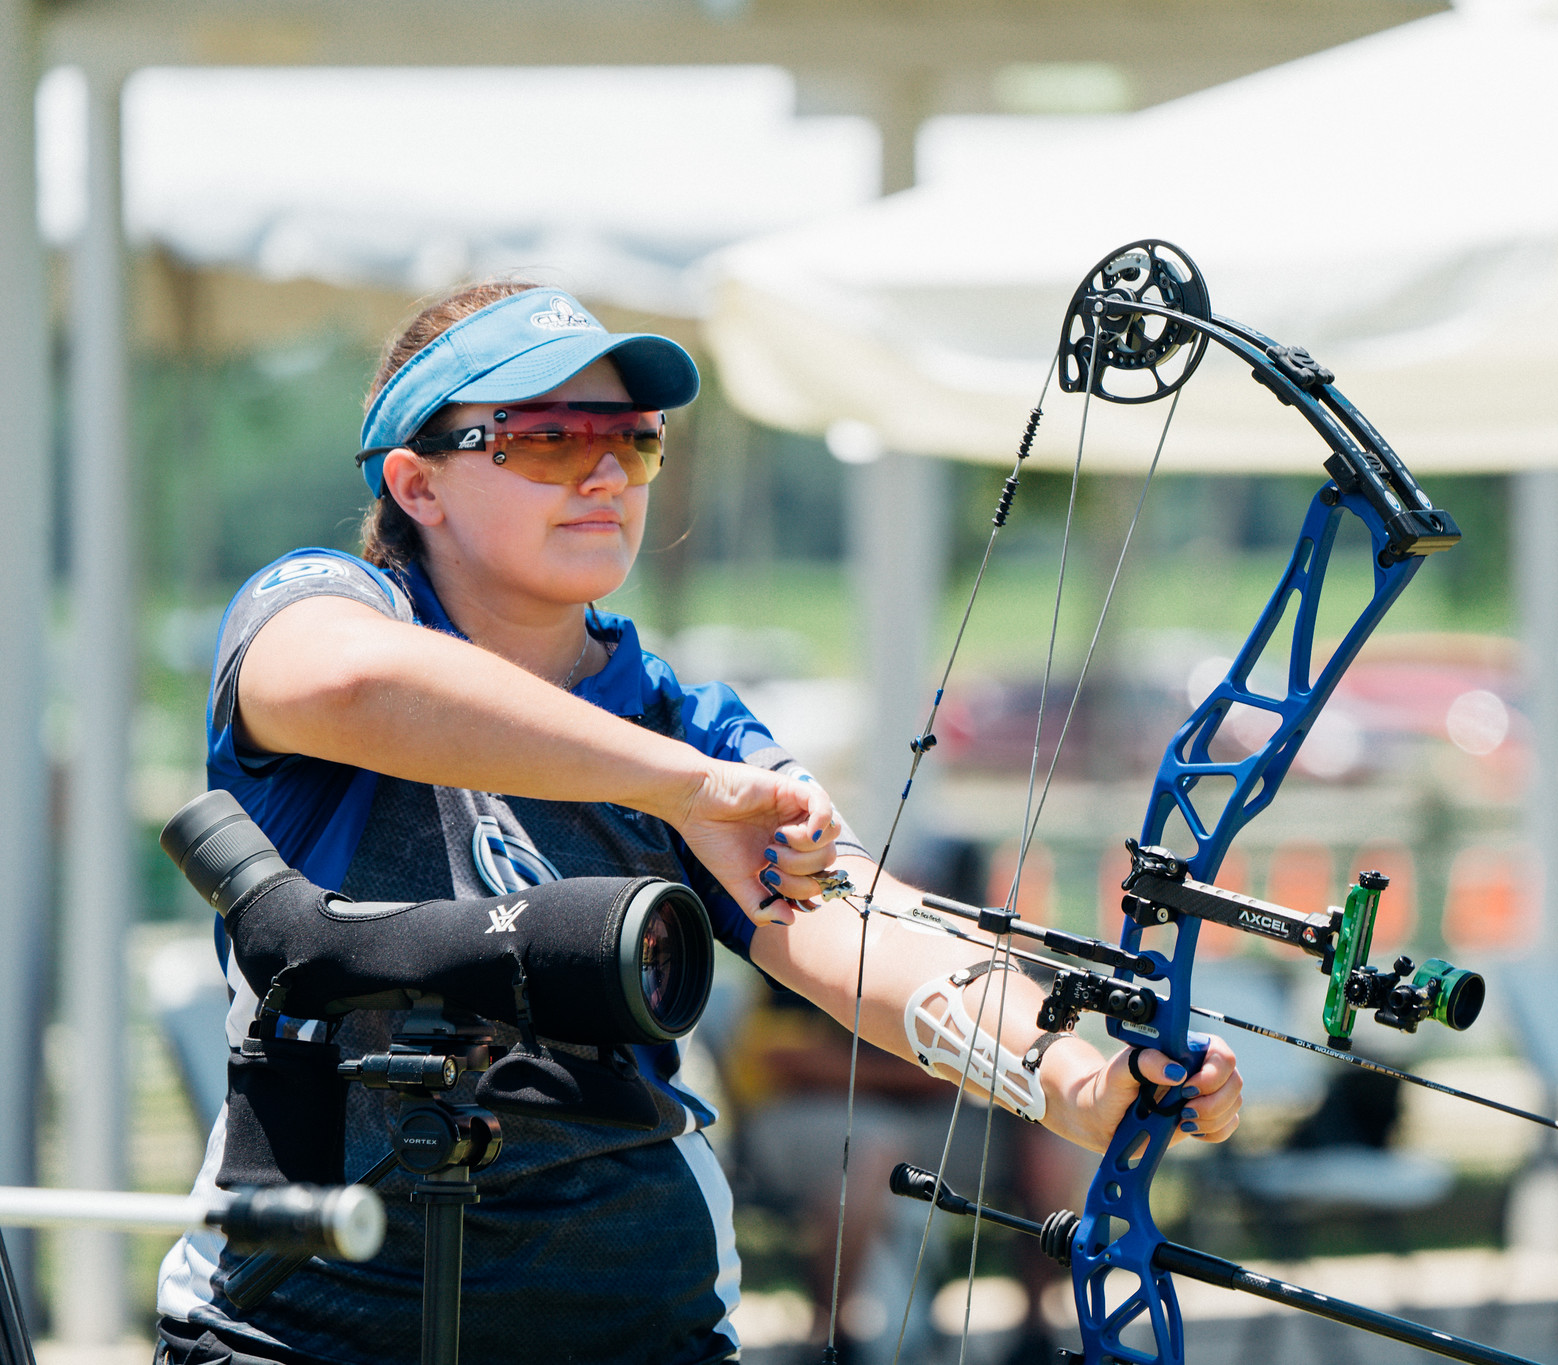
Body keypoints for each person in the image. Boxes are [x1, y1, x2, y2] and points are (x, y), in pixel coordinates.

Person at [154, 280, 1241, 1365]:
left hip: (640, 1319)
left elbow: (857, 921)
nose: (602, 473)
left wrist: (1074, 1083)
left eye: (631, 440)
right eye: (543, 439)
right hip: (307, 1328)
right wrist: (682, 790)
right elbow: (343, 683)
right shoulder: (325, 605)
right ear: (416, 484)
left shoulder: (685, 719)